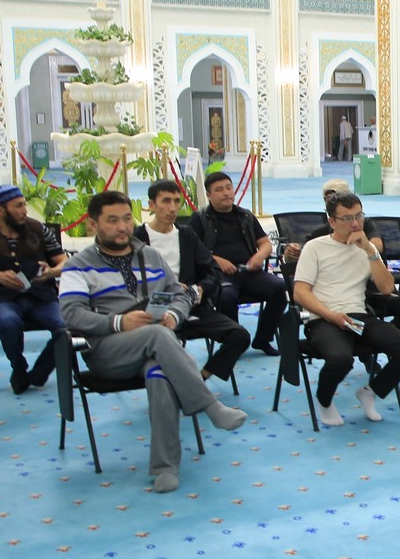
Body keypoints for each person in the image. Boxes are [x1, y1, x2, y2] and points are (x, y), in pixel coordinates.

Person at [60, 191, 249, 494]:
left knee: (159, 373)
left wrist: (174, 315)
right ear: (93, 225)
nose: (122, 227)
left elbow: (180, 294)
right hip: (108, 352)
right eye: (112, 221)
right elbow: (71, 314)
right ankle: (210, 406)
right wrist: (118, 322)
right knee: (158, 336)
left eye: (126, 219)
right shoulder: (78, 266)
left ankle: (165, 467)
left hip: (156, 346)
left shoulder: (150, 256)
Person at [291, 191, 400, 426]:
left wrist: (370, 251)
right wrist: (330, 315)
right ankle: (324, 401)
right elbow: (300, 292)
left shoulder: (366, 249)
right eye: (347, 218)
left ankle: (370, 392)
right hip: (322, 319)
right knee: (341, 359)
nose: (355, 223)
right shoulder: (315, 247)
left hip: (358, 318)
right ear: (332, 222)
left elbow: (386, 288)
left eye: (359, 216)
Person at [134, 180, 250, 385]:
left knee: (239, 336)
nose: (173, 208)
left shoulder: (186, 234)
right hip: (155, 307)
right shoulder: (137, 238)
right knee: (165, 343)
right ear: (151, 205)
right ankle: (172, 383)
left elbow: (212, 269)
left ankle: (200, 377)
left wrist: (201, 288)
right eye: (166, 201)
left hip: (191, 304)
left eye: (177, 201)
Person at [0, 184, 66, 393]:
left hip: (41, 297)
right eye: (18, 206)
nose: (24, 210)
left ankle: (38, 374)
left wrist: (52, 271)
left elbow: (64, 261)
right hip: (0, 298)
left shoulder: (37, 228)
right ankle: (18, 367)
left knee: (67, 326)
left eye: (24, 204)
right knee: (8, 322)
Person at [188, 170, 284, 355]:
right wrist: (217, 261)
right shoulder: (199, 219)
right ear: (208, 195)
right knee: (226, 295)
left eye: (228, 188)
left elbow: (265, 243)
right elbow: (192, 250)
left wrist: (259, 256)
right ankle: (234, 342)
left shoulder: (245, 215)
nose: (226, 193)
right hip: (217, 275)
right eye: (219, 190)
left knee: (280, 288)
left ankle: (263, 339)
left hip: (249, 272)